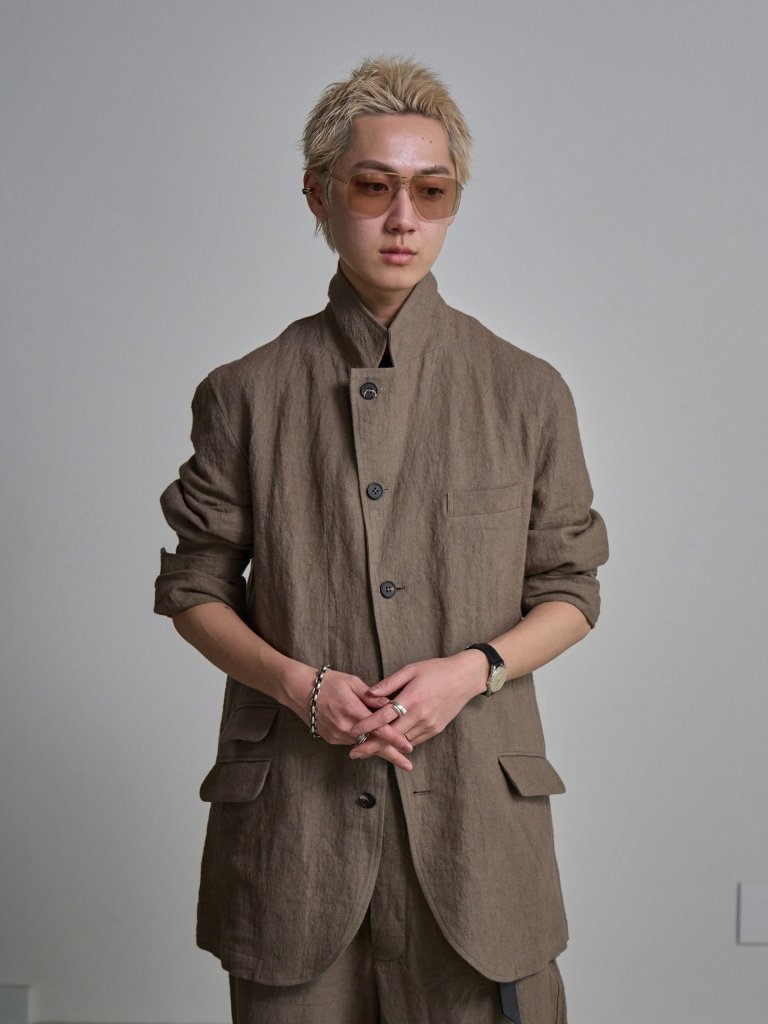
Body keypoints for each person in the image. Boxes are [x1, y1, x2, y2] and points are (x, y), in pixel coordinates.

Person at [154, 55, 608, 1024]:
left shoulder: (527, 392)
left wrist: (473, 671)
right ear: (318, 195)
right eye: (373, 187)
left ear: (452, 204)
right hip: (295, 844)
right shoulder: (244, 393)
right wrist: (299, 686)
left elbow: (572, 589)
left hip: (478, 844)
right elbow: (193, 587)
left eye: (430, 191)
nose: (404, 218)